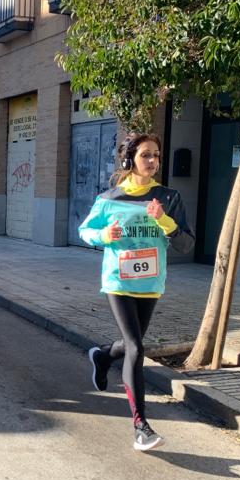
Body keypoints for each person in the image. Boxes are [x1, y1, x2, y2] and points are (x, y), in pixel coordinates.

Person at [78, 132, 195, 452]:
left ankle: (102, 356)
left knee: (132, 344)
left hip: (150, 283)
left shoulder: (168, 197)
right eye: (146, 155)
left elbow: (186, 243)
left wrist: (164, 220)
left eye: (156, 155)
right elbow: (85, 230)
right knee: (135, 346)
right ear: (130, 159)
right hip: (118, 281)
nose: (153, 161)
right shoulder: (110, 198)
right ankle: (141, 427)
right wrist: (104, 234)